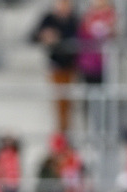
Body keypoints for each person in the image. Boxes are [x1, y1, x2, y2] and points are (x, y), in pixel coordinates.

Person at [31, 0, 79, 133]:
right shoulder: (49, 19)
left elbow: (77, 39)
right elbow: (32, 36)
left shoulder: (74, 20)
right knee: (59, 101)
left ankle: (66, 130)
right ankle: (61, 131)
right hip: (56, 66)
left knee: (68, 102)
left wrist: (59, 38)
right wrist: (44, 35)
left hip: (72, 66)